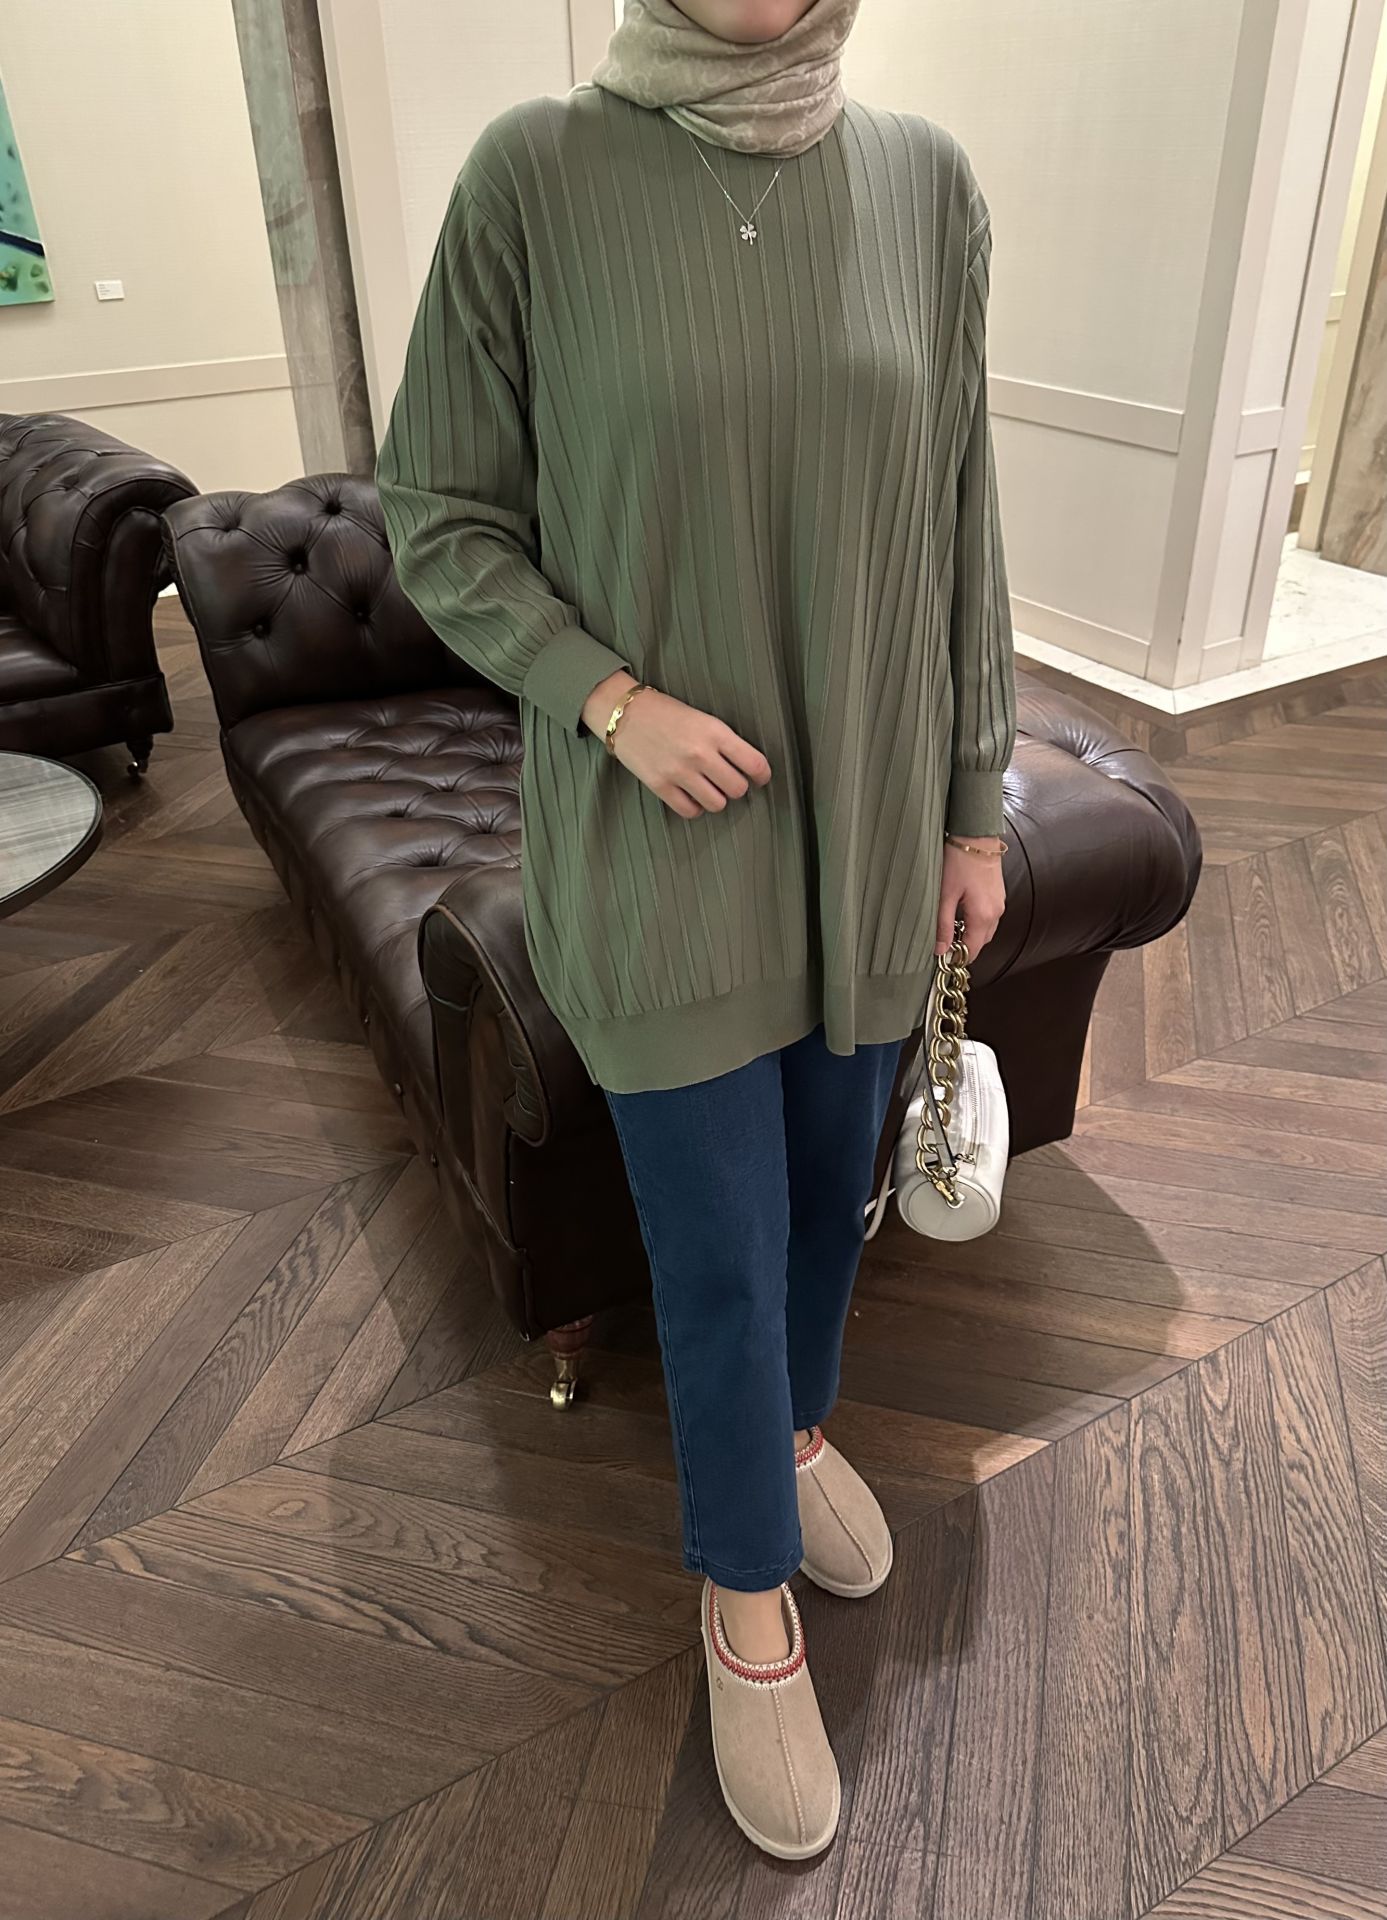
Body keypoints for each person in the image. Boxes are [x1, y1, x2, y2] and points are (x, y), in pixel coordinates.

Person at [376, 0, 1014, 1861]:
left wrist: (974, 798)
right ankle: (746, 1602)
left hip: (868, 830)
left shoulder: (928, 189)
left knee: (829, 1204)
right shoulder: (533, 176)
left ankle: (795, 1440)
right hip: (657, 845)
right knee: (719, 1250)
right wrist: (607, 698)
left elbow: (962, 517)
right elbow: (438, 512)